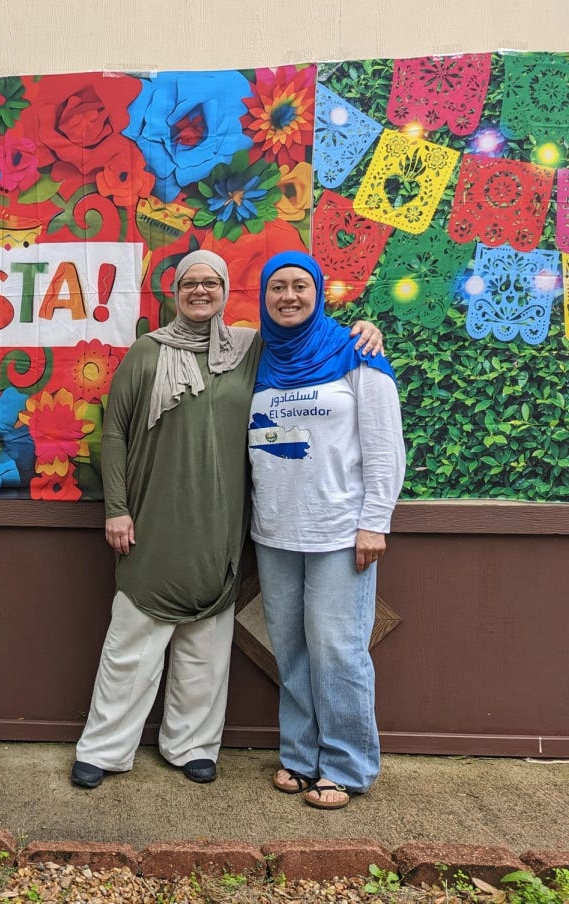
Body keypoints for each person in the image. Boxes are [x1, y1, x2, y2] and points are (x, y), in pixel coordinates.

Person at [71, 251, 383, 790]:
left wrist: (364, 329)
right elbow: (115, 433)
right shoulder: (147, 354)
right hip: (155, 521)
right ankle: (104, 746)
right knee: (133, 639)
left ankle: (192, 745)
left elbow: (306, 338)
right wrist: (116, 508)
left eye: (211, 282)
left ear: (225, 290)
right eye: (189, 282)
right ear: (173, 291)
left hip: (224, 525)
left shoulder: (249, 350)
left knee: (207, 647)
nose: (199, 291)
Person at [249, 250, 404, 811]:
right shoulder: (256, 356)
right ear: (264, 297)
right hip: (274, 530)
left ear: (318, 293)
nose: (288, 297)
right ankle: (300, 755)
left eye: (300, 287)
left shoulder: (355, 351)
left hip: (341, 531)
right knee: (290, 650)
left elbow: (385, 445)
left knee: (338, 650)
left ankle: (346, 764)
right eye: (277, 288)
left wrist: (374, 523)